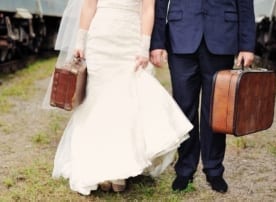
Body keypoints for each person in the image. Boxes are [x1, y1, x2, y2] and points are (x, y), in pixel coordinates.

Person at [50, 0, 193, 195]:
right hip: (100, 38)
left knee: (124, 105)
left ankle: (119, 170)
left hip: (129, 40)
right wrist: (80, 41)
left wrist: (144, 47)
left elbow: (148, 9)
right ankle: (97, 168)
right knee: (97, 104)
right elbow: (89, 6)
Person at [150, 0, 256, 193]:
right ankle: (184, 168)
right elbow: (159, 3)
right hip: (181, 35)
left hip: (222, 35)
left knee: (216, 110)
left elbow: (246, 4)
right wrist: (157, 42)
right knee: (184, 108)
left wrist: (247, 45)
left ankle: (214, 169)